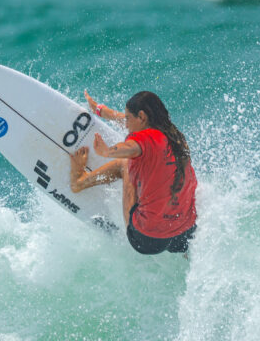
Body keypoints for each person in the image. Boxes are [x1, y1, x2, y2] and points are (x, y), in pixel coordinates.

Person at [68, 90, 197, 255]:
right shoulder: (175, 136)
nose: (126, 124)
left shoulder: (143, 139)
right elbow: (134, 126)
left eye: (128, 118)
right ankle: (185, 256)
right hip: (184, 234)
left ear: (142, 117)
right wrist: (102, 111)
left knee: (126, 163)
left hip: (148, 239)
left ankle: (79, 182)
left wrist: (107, 151)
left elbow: (131, 147)